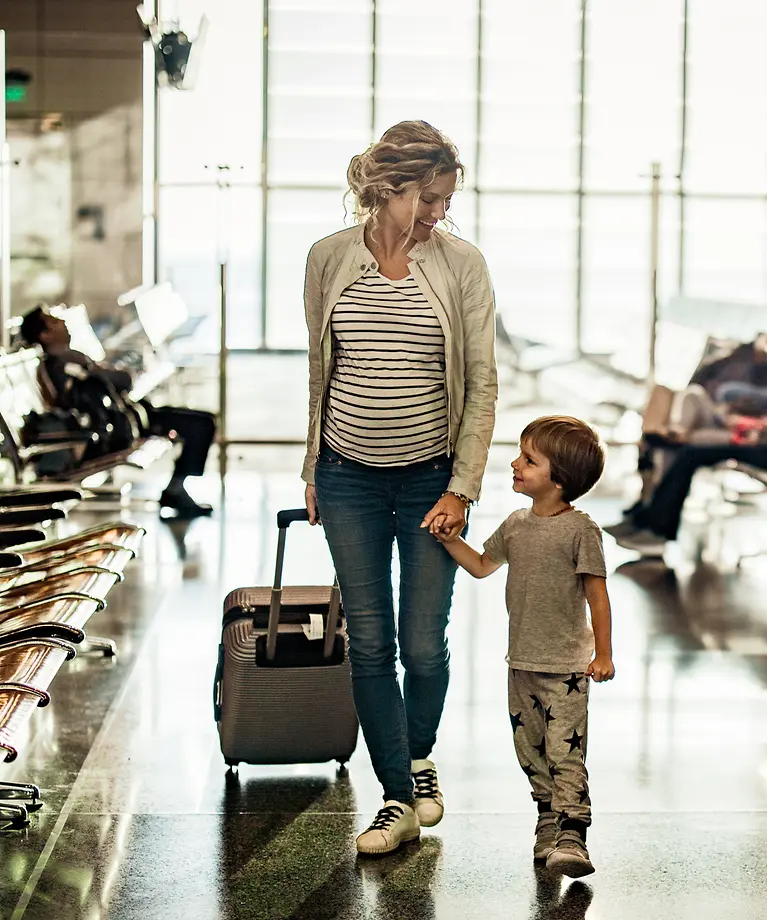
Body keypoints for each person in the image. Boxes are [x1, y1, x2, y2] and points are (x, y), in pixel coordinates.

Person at [301, 120, 497, 855]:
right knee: (371, 643)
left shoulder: (460, 265)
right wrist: (313, 469)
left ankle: (418, 760)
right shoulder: (327, 259)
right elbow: (319, 373)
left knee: (423, 643)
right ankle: (396, 795)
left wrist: (463, 488)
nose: (441, 212)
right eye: (431, 198)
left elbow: (481, 385)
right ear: (388, 190)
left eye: (447, 199)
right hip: (347, 476)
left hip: (429, 484)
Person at [429, 416, 614, 878]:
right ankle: (547, 819)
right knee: (529, 749)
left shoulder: (580, 531)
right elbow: (481, 565)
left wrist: (604, 654)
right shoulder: (515, 525)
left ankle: (574, 833)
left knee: (565, 752)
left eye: (529, 460)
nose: (515, 464)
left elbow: (597, 595)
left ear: (559, 479)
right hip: (522, 664)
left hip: (568, 668)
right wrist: (452, 541)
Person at [20, 305, 216, 518]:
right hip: (116, 429)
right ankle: (176, 490)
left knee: (201, 422)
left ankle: (177, 488)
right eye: (54, 321)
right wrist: (92, 367)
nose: (64, 322)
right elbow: (121, 383)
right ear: (45, 335)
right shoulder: (65, 364)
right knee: (201, 425)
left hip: (124, 421)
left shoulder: (68, 360)